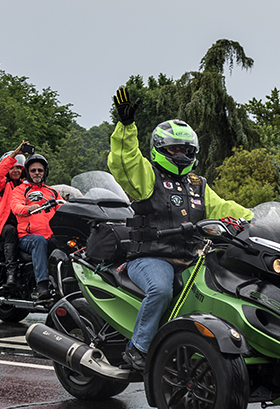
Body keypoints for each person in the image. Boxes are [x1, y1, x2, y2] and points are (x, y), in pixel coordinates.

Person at [107, 87, 252, 371]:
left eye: (186, 150)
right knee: (161, 290)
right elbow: (124, 162)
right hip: (150, 257)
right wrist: (126, 126)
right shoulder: (148, 176)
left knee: (223, 290)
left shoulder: (199, 184)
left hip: (191, 257)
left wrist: (254, 219)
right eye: (175, 149)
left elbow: (224, 208)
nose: (181, 154)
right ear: (161, 149)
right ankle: (138, 348)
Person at [9, 153, 63, 300]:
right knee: (39, 241)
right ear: (28, 173)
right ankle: (42, 286)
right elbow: (16, 206)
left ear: (45, 172)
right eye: (33, 170)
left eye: (40, 170)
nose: (37, 173)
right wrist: (28, 208)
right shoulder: (21, 190)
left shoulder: (52, 191)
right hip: (28, 237)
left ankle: (65, 282)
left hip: (49, 235)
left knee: (66, 243)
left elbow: (63, 206)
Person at [0, 144, 27, 287]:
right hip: (5, 225)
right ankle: (11, 273)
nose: (16, 170)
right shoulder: (0, 185)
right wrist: (16, 153)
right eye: (12, 167)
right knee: (11, 231)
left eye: (18, 167)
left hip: (24, 225)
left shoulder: (24, 186)